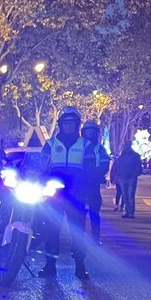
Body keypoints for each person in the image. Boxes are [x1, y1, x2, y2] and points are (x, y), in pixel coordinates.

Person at [37, 107, 106, 279]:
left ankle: (80, 266)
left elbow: (90, 168)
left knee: (78, 232)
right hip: (54, 194)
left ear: (76, 125)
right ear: (60, 124)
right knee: (52, 231)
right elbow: (40, 165)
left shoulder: (86, 145)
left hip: (77, 194)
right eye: (65, 123)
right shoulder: (51, 144)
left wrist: (88, 186)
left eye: (71, 123)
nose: (68, 126)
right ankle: (50, 267)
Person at [80, 120, 110, 244]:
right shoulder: (79, 147)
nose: (90, 134)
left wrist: (95, 174)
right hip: (79, 184)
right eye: (88, 132)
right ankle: (78, 241)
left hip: (93, 184)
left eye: (93, 132)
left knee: (94, 212)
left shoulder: (100, 149)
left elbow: (105, 165)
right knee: (78, 213)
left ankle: (96, 238)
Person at [112, 142, 142, 218]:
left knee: (129, 195)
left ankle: (130, 212)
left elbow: (139, 168)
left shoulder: (134, 156)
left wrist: (134, 174)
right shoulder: (123, 156)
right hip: (124, 178)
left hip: (130, 178)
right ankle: (128, 212)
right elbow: (117, 166)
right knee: (126, 196)